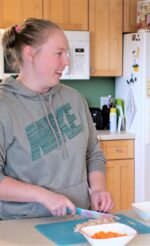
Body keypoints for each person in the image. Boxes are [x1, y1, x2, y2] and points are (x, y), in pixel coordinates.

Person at [0, 18, 114, 219]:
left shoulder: (75, 99)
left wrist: (97, 188)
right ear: (30, 53)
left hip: (78, 219)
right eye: (59, 53)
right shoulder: (4, 106)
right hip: (23, 227)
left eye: (67, 54)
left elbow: (93, 152)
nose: (67, 61)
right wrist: (43, 196)